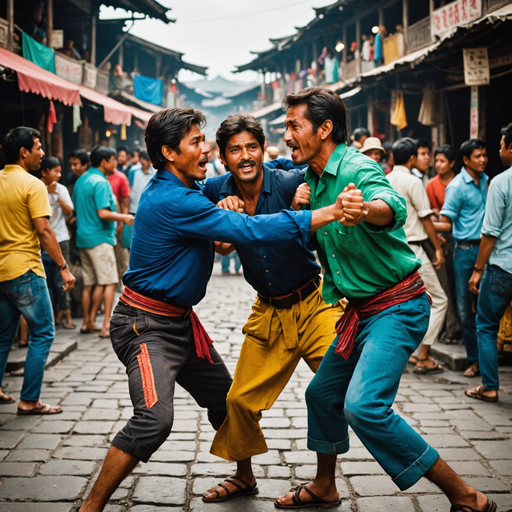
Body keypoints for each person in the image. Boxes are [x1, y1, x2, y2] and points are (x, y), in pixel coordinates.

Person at [79, 107, 349, 512]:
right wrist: (321, 214)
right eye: (196, 143)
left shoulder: (201, 187)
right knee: (155, 420)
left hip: (188, 321)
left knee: (230, 400)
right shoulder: (181, 198)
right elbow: (250, 230)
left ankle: (255, 476)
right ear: (170, 154)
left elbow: (273, 166)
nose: (204, 150)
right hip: (146, 326)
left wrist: (294, 186)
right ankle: (89, 508)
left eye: (251, 148)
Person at [274, 87, 495, 512]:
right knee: (322, 395)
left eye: (293, 125)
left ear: (323, 129)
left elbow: (388, 203)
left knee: (364, 406)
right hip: (360, 313)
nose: (286, 135)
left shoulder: (357, 166)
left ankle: (466, 495)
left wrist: (364, 209)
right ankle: (325, 486)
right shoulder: (312, 180)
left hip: (397, 306)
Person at [198, 115, 343, 502]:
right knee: (238, 400)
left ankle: (325, 483)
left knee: (327, 390)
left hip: (315, 302)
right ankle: (244, 475)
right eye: (235, 150)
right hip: (268, 311)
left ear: (263, 150)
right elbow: (218, 243)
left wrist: (309, 197)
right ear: (223, 158)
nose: (245, 157)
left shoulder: (291, 181)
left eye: (251, 148)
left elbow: (325, 179)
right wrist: (223, 218)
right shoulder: (214, 190)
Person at [0, 127, 75, 413]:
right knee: (43, 332)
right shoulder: (33, 185)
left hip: (2, 270)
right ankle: (30, 399)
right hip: (26, 269)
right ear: (24, 152)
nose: (42, 154)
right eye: (38, 148)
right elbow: (44, 231)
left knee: (3, 335)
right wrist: (63, 268)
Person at [387, 138, 447, 374]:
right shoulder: (413, 181)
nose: (426, 159)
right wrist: (438, 248)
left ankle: (406, 353)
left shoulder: (386, 178)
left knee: (398, 302)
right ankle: (423, 354)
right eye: (421, 155)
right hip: (412, 249)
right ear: (411, 158)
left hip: (389, 250)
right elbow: (425, 218)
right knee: (439, 300)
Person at [466, 123, 512, 403]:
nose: (498, 150)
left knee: (485, 325)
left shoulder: (501, 182)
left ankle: (490, 386)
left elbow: (490, 232)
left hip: (502, 269)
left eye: (501, 144)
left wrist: (477, 270)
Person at [437, 140, 488, 378]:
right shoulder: (456, 187)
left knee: (485, 308)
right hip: (465, 252)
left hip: (488, 251)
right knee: (465, 309)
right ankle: (475, 360)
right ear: (466, 160)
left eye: (485, 155)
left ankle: (487, 359)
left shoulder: (487, 181)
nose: (484, 160)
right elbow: (446, 221)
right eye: (478, 156)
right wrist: (426, 225)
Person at [72, 146, 134, 338]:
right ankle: (106, 326)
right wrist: (124, 217)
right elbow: (103, 213)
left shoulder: (81, 180)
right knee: (108, 282)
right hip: (100, 239)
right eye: (113, 160)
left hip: (83, 238)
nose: (116, 164)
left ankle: (88, 322)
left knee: (90, 283)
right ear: (104, 162)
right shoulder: (101, 182)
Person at [427, 145, 461, 344]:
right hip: (441, 237)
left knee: (459, 285)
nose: (438, 165)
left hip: (459, 237)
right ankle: (450, 328)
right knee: (444, 285)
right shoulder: (432, 185)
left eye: (442, 161)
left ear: (452, 163)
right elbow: (431, 212)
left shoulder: (459, 183)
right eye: (436, 161)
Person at [38, 156, 75, 329]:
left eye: (60, 171)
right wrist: (46, 192)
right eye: (55, 171)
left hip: (60, 238)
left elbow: (69, 212)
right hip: (40, 241)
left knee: (62, 280)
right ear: (44, 172)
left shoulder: (61, 189)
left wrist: (57, 196)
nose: (59, 175)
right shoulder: (35, 187)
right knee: (46, 281)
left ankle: (66, 317)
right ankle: (51, 317)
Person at [108, 163, 131, 282]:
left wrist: (122, 221)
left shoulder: (121, 177)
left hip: (118, 218)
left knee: (120, 251)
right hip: (105, 223)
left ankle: (122, 281)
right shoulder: (102, 177)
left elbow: (125, 202)